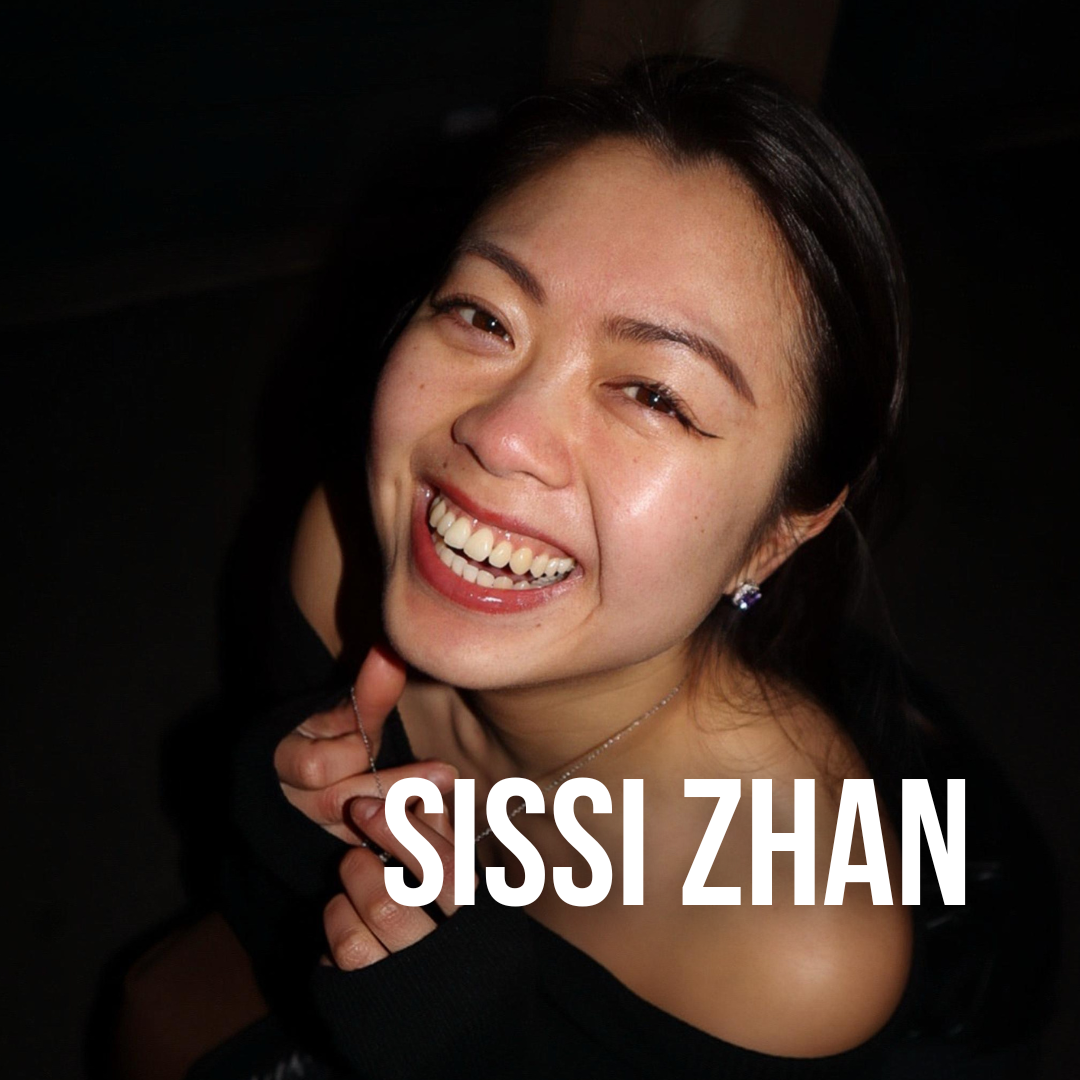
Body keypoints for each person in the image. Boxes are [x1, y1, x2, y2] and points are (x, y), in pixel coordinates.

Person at [121, 55, 972, 1080]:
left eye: (654, 394)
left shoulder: (799, 939)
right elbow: (262, 914)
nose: (501, 432)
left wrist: (471, 1056)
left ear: (776, 535)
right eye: (485, 316)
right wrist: (295, 836)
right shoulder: (339, 558)